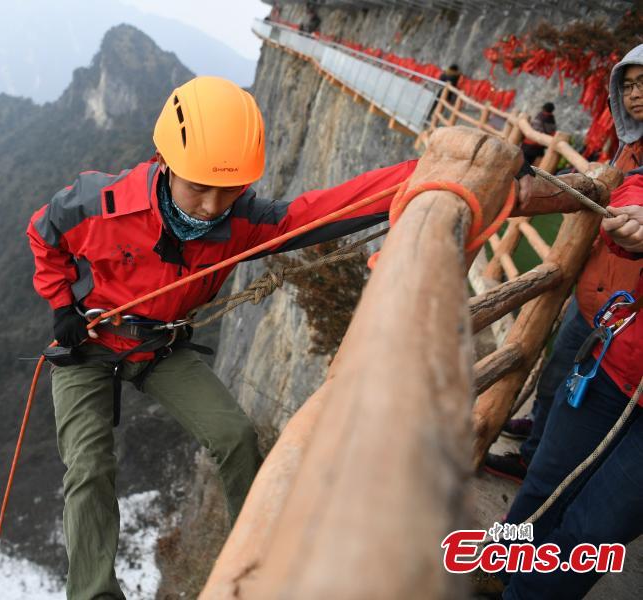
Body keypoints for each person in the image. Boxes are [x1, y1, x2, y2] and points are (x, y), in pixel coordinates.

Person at [26, 76, 422, 599]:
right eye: (200, 187)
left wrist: (425, 174)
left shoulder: (243, 225)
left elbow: (320, 213)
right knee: (89, 465)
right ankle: (94, 594)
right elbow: (43, 232)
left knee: (235, 436)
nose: (214, 205)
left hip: (158, 347)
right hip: (91, 344)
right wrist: (62, 308)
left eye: (229, 189)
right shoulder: (98, 203)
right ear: (165, 164)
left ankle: (257, 562)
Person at [485, 44, 643, 484]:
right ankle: (536, 434)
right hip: (596, 288)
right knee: (558, 373)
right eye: (628, 86)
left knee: (580, 392)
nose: (635, 94)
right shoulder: (629, 147)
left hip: (625, 312)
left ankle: (535, 460)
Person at [495, 170, 643, 599]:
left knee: (594, 528)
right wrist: (633, 212)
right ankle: (492, 571)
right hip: (615, 364)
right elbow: (635, 183)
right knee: (546, 479)